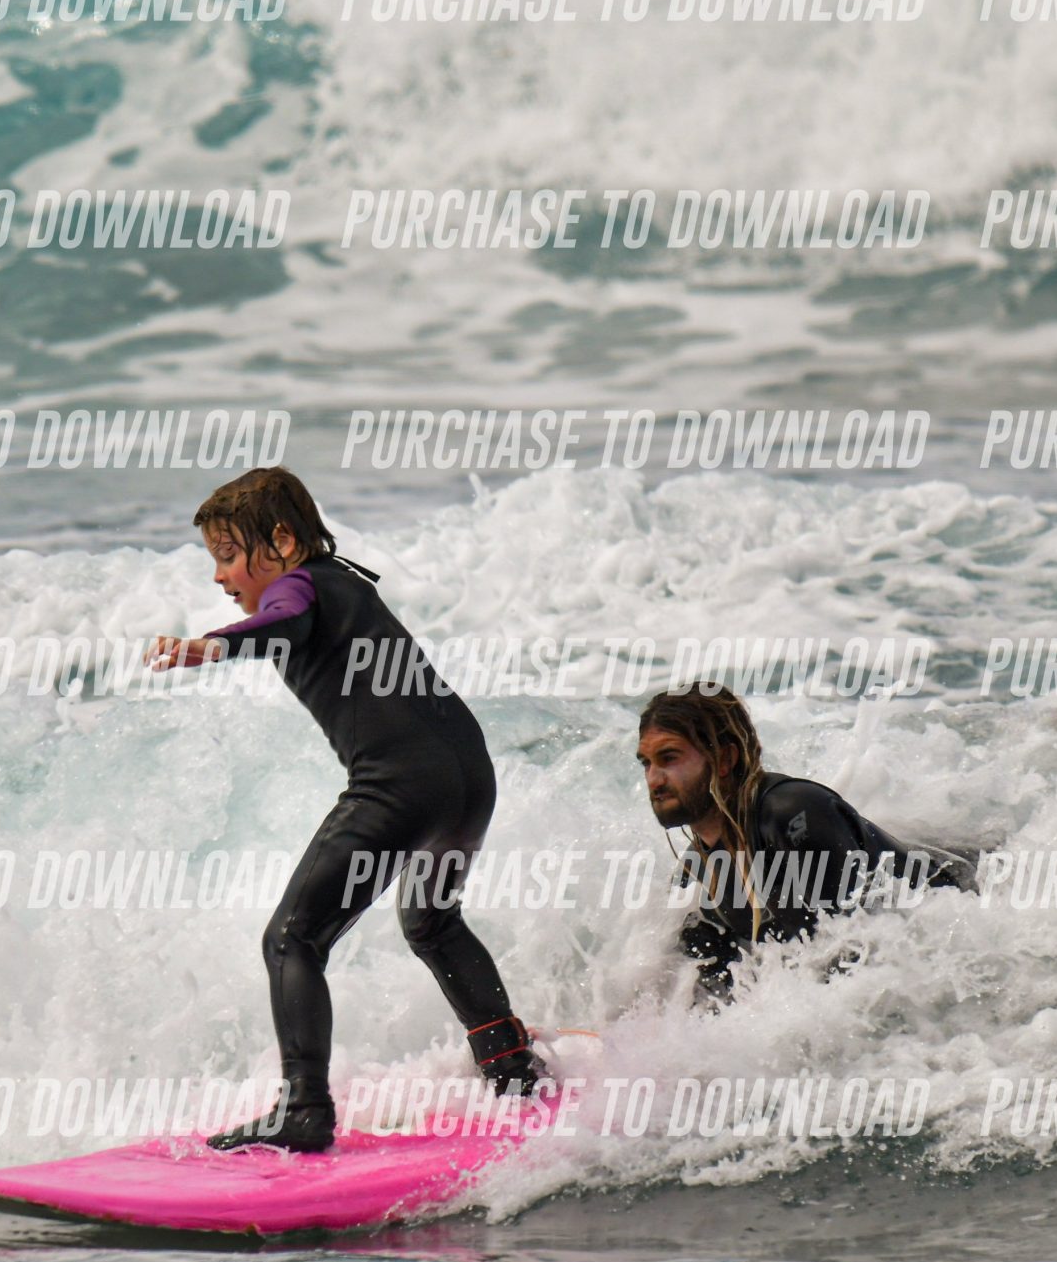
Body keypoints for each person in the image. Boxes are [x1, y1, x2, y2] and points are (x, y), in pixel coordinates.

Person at [148, 468, 541, 1153]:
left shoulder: (299, 584)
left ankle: (304, 1108)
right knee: (432, 921)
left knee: (291, 939)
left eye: (228, 555)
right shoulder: (346, 584)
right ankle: (509, 1066)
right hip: (468, 777)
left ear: (282, 541)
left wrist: (215, 644)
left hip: (401, 783)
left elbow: (286, 619)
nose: (219, 575)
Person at [636, 682, 974, 1005]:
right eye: (647, 763)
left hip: (968, 907)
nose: (654, 779)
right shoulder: (696, 875)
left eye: (669, 758)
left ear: (724, 760)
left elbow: (855, 955)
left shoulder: (793, 815)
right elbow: (708, 997)